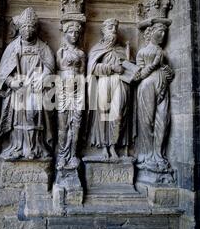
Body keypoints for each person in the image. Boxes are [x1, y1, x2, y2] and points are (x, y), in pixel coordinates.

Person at [0, 7, 55, 160]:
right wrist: (12, 82)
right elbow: (3, 73)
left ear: (36, 28)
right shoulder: (12, 48)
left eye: (31, 27)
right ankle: (17, 146)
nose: (28, 30)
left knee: (34, 116)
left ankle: (36, 147)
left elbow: (50, 67)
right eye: (24, 27)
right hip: (19, 91)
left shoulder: (43, 47)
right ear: (20, 29)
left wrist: (42, 78)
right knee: (18, 118)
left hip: (36, 90)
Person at [134, 21, 174, 172]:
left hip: (162, 86)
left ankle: (159, 154)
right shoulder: (143, 52)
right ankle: (148, 154)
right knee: (147, 121)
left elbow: (170, 73)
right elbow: (138, 75)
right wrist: (154, 65)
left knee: (163, 120)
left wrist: (168, 73)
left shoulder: (164, 53)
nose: (163, 35)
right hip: (147, 86)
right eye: (160, 32)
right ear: (150, 33)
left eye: (165, 33)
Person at [87, 18, 129, 159]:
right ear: (103, 31)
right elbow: (92, 68)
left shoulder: (122, 50)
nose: (114, 30)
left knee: (118, 115)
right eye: (110, 27)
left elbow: (130, 69)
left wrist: (128, 66)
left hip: (119, 83)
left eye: (115, 28)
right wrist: (112, 68)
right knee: (103, 116)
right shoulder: (97, 49)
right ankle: (105, 146)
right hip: (104, 82)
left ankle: (113, 145)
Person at [56, 20, 86, 170]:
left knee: (76, 125)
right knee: (63, 126)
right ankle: (62, 155)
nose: (74, 35)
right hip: (63, 91)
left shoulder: (81, 53)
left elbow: (83, 73)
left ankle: (73, 154)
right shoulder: (60, 52)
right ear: (65, 33)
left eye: (76, 33)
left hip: (78, 91)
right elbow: (56, 73)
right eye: (71, 32)